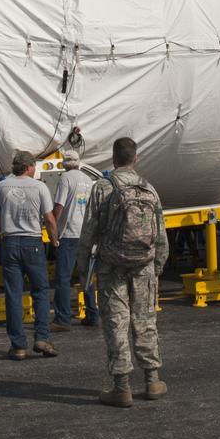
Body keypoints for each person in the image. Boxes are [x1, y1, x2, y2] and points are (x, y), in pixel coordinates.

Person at [77, 136, 169, 408]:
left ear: (114, 159)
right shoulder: (149, 189)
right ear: (135, 158)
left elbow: (88, 231)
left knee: (117, 323)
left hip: (111, 267)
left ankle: (122, 388)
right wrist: (158, 266)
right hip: (143, 266)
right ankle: (152, 380)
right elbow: (160, 233)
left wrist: (83, 269)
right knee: (144, 320)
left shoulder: (103, 187)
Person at [0, 150, 60, 360]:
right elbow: (49, 219)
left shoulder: (2, 186)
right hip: (33, 243)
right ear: (29, 167)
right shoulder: (39, 187)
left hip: (10, 241)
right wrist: (55, 240)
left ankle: (18, 345)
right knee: (40, 291)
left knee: (13, 294)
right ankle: (41, 338)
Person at [51, 150, 97, 329]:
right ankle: (92, 314)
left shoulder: (66, 178)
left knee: (63, 277)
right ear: (79, 162)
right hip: (85, 233)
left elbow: (59, 206)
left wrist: (52, 229)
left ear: (63, 164)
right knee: (87, 275)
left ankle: (62, 319)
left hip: (69, 234)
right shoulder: (87, 180)